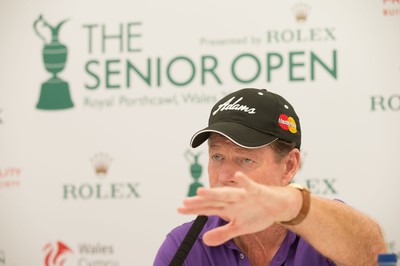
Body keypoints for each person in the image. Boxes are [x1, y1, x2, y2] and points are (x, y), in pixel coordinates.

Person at [154, 88, 387, 266]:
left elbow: (375, 254)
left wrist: (293, 206)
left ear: (289, 165)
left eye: (245, 159)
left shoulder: (326, 230)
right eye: (217, 156)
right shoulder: (183, 246)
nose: (225, 176)